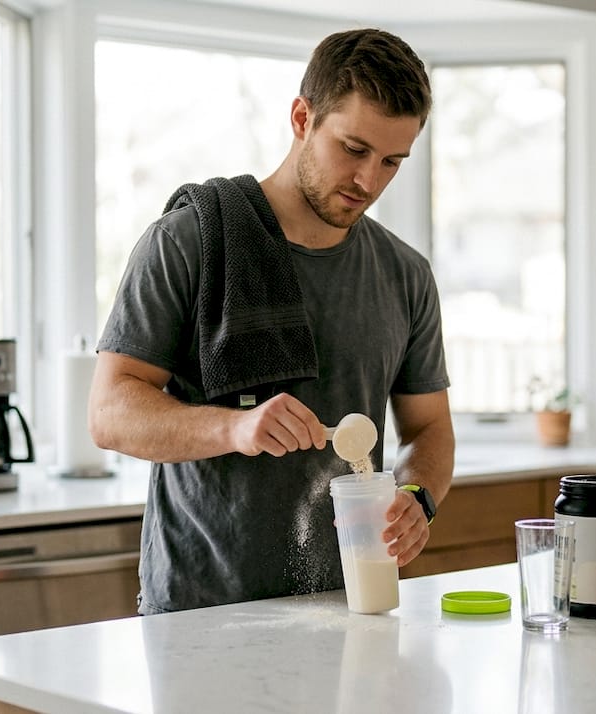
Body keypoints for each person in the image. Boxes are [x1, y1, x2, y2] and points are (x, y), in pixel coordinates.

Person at [88, 27, 454, 615]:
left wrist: (417, 495)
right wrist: (233, 429)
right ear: (302, 116)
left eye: (392, 161)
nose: (370, 181)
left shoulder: (405, 274)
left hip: (350, 607)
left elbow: (429, 428)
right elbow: (109, 413)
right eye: (354, 149)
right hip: (199, 613)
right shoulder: (187, 244)